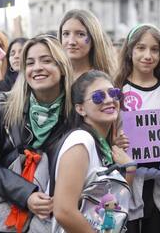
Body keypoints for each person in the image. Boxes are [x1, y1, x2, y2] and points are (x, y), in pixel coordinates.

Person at [0, 35, 73, 229]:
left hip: (54, 213)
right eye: (30, 63)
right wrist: (26, 194)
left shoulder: (76, 111)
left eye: (46, 60)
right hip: (2, 209)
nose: (37, 68)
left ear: (62, 67)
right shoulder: (3, 104)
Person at [53, 70, 136, 231]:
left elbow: (115, 203)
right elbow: (64, 211)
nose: (110, 100)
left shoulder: (103, 145)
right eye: (98, 97)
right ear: (80, 109)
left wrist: (130, 169)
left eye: (113, 93)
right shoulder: (81, 142)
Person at [114, 23, 160, 233]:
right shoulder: (116, 89)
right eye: (141, 48)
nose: (147, 55)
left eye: (154, 49)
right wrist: (115, 142)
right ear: (130, 51)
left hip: (157, 180)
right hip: (126, 179)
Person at [58, 9, 116, 79]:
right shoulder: (55, 77)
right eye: (66, 34)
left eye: (80, 34)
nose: (71, 42)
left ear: (93, 38)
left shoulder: (105, 80)